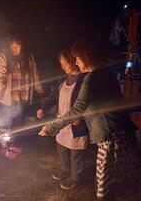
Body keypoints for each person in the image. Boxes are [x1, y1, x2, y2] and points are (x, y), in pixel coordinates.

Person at [39, 38, 139, 201]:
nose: (76, 63)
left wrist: (51, 127)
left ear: (87, 56)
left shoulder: (92, 78)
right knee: (114, 174)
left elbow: (78, 109)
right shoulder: (106, 73)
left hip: (109, 134)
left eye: (77, 58)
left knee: (103, 179)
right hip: (121, 130)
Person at [37, 49, 89, 190]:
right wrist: (44, 108)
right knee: (62, 149)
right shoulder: (62, 79)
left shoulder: (84, 79)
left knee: (75, 153)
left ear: (74, 61)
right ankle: (65, 170)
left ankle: (75, 177)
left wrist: (82, 118)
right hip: (61, 121)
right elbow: (54, 97)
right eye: (61, 64)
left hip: (76, 124)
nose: (63, 66)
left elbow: (87, 103)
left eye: (65, 63)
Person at [0, 33, 44, 158]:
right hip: (8, 96)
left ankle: (11, 144)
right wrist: (0, 89)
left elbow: (35, 73)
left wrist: (39, 88)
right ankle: (4, 147)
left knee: (17, 121)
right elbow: (0, 74)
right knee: (6, 121)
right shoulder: (3, 56)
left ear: (22, 45)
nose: (14, 48)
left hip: (23, 95)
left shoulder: (29, 57)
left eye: (18, 45)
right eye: (12, 45)